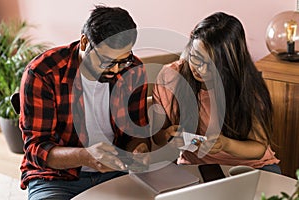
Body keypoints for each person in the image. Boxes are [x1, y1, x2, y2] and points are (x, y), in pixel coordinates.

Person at [19, 5, 151, 199]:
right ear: (84, 42)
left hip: (116, 174)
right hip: (55, 178)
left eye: (123, 60)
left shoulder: (133, 71)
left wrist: (138, 151)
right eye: (106, 60)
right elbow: (35, 149)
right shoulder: (43, 73)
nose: (115, 70)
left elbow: (138, 132)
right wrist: (86, 156)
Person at [151, 12, 280, 174]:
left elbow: (259, 148)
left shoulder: (247, 87)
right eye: (195, 57)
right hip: (194, 168)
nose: (200, 69)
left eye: (211, 64)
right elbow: (157, 138)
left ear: (230, 62)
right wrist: (167, 136)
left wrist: (226, 144)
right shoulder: (170, 78)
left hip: (251, 167)